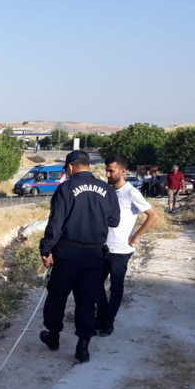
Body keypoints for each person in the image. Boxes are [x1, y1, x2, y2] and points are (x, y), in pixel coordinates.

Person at [38, 150, 120, 363]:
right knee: (86, 299)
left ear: (71, 167)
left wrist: (46, 250)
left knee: (57, 296)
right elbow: (114, 221)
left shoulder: (65, 188)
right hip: (94, 254)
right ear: (88, 166)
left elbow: (55, 224)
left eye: (67, 168)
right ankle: (83, 346)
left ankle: (53, 337)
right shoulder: (107, 190)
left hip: (67, 253)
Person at [95, 155, 158, 336]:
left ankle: (108, 322)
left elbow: (152, 215)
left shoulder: (132, 193)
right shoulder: (107, 191)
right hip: (102, 247)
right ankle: (101, 317)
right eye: (106, 170)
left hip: (121, 250)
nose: (107, 174)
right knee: (95, 283)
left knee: (116, 287)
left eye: (110, 171)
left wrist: (136, 235)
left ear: (122, 171)